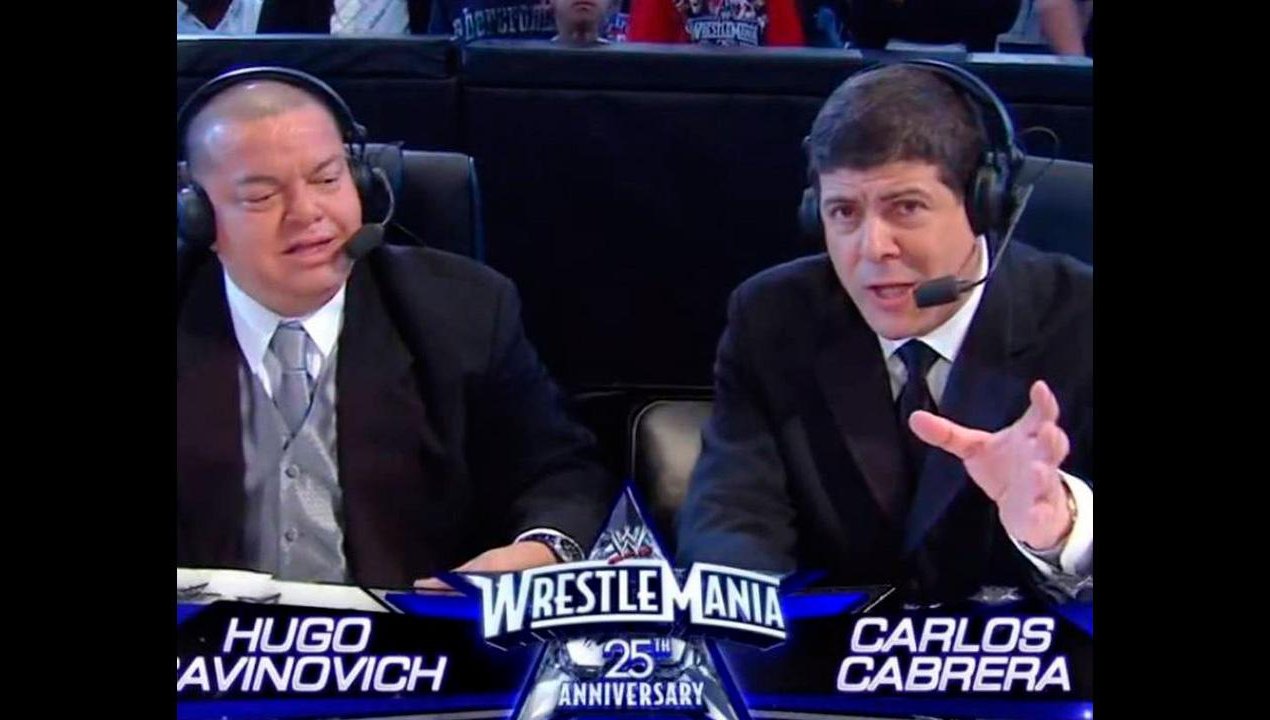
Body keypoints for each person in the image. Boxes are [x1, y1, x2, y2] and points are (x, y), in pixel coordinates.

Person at [176, 67, 616, 589]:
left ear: (361, 183)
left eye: (327, 179)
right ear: (199, 217)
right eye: (262, 197)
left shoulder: (463, 308)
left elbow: (560, 472)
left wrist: (540, 549)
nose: (307, 213)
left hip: (413, 626)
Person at [676, 60, 1092, 603]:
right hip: (824, 653)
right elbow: (734, 518)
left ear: (984, 205)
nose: (873, 248)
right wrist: (742, 616)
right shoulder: (773, 318)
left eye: (907, 207)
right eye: (844, 212)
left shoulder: (1080, 318)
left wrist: (1060, 528)